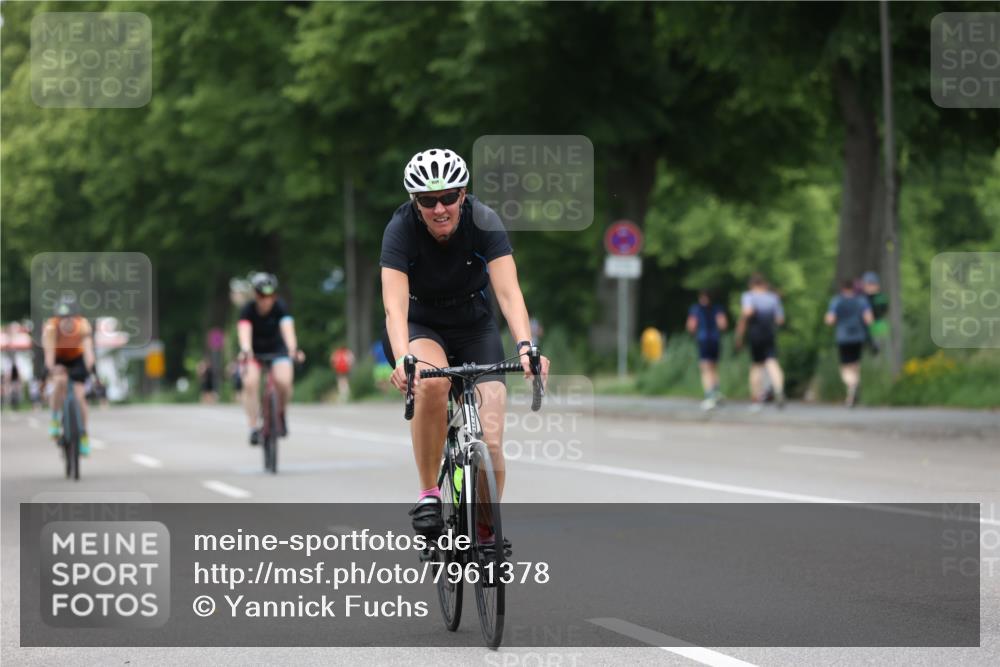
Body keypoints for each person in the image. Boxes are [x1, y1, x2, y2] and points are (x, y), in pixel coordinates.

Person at [381, 148, 549, 540]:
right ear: (415, 203)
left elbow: (509, 293)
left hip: (474, 326)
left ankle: (487, 534)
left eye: (449, 197)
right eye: (427, 201)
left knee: (490, 443)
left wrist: (526, 345)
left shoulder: (484, 220)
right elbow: (394, 305)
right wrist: (403, 355)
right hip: (421, 324)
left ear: (464, 194)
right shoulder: (400, 229)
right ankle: (428, 494)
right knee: (434, 383)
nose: (439, 208)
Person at [237, 272, 305, 445]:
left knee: (284, 381)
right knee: (250, 382)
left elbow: (288, 329)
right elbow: (244, 332)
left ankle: (280, 413)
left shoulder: (280, 307)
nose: (266, 300)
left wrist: (293, 349)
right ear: (255, 295)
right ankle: (253, 426)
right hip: (254, 351)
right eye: (261, 295)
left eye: (270, 295)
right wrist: (245, 349)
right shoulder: (248, 310)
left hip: (278, 350)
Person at [41, 296, 96, 454]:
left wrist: (89, 366)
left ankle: (84, 434)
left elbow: (89, 352)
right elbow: (49, 356)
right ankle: (54, 419)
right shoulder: (51, 328)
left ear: (76, 317)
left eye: (70, 316)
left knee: (79, 395)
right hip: (58, 358)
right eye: (62, 317)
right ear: (58, 318)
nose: (66, 320)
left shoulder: (83, 326)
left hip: (77, 358)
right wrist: (52, 369)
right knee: (59, 382)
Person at [735, 274, 786, 411]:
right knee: (772, 362)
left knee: (756, 366)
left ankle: (756, 398)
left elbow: (747, 312)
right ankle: (779, 390)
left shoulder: (749, 296)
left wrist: (739, 335)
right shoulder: (773, 298)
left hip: (755, 333)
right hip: (769, 333)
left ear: (752, 285)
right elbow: (780, 320)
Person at [825, 279, 874, 407]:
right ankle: (852, 392)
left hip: (843, 337)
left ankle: (851, 386)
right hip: (858, 336)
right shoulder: (862, 300)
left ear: (842, 288)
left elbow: (830, 320)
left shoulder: (837, 301)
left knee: (845, 367)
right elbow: (869, 319)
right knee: (855, 364)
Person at [686, 290, 728, 410]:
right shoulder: (717, 308)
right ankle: (716, 392)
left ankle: (709, 396)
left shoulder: (696, 309)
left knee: (705, 368)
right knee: (713, 367)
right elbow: (723, 325)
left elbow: (691, 326)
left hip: (703, 339)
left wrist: (693, 333)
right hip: (715, 339)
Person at [861, 271, 889, 354]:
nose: (868, 287)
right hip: (865, 329)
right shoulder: (863, 298)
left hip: (878, 327)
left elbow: (881, 310)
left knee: (880, 353)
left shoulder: (880, 297)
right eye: (867, 285)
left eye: (871, 284)